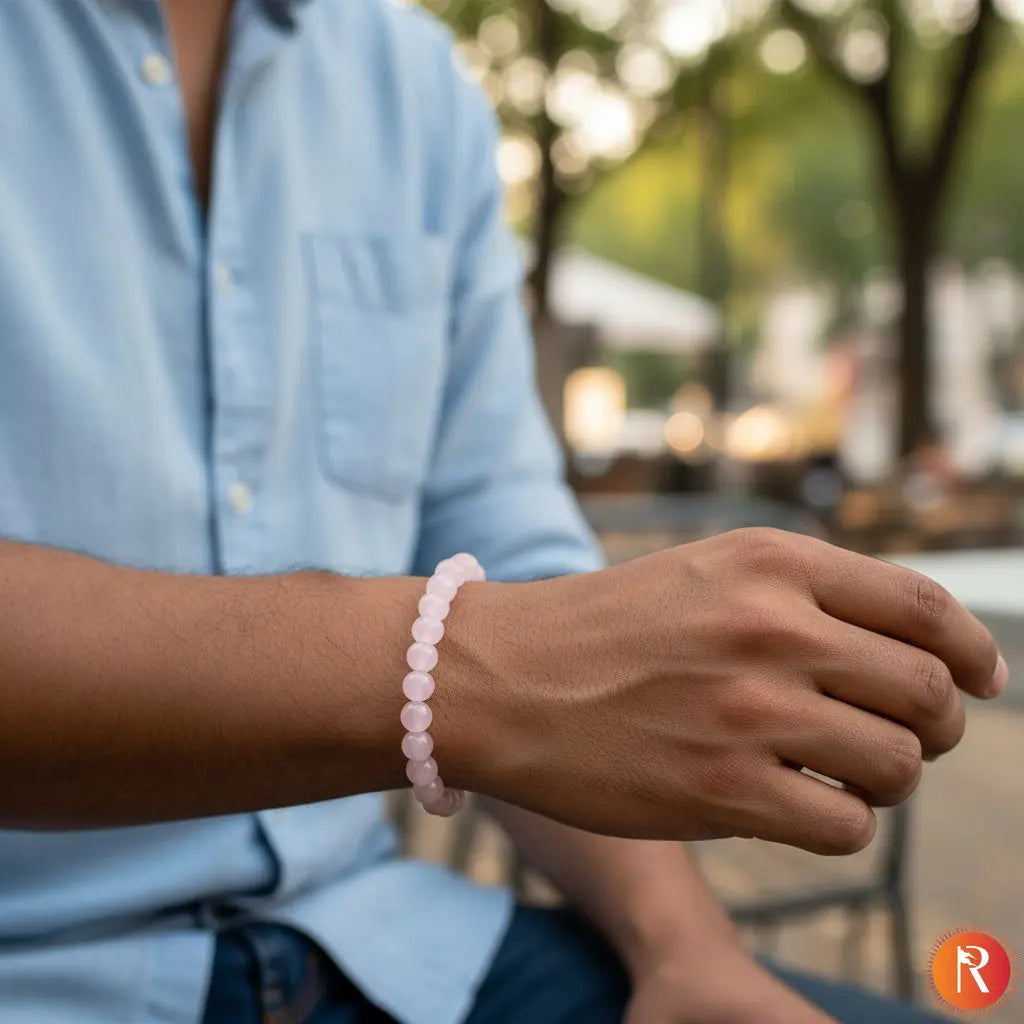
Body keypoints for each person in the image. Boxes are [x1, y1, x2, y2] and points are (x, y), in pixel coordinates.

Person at [0, 1, 1006, 1021]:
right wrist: (469, 674)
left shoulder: (409, 79)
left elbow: (502, 530)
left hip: (378, 941)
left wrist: (683, 951)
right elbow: (522, 647)